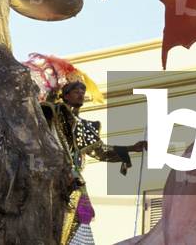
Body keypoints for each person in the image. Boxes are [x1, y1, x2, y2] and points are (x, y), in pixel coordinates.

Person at [42, 80, 147, 245]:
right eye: (76, 91)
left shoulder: (85, 126)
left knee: (82, 215)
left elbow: (101, 151)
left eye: (83, 91)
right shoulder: (55, 113)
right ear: (66, 95)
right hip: (58, 174)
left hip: (76, 179)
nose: (81, 94)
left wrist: (131, 148)